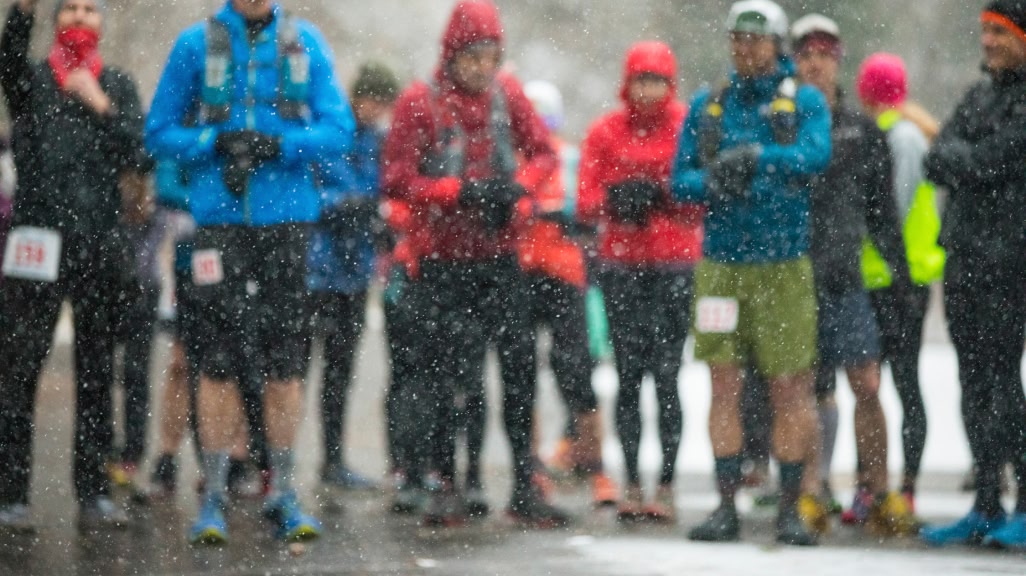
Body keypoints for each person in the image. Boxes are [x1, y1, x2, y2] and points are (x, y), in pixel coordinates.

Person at [146, 0, 354, 544]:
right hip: (217, 223)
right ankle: (211, 496)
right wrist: (213, 142)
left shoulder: (304, 41)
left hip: (288, 223)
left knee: (286, 362)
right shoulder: (196, 43)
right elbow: (158, 131)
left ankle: (282, 491)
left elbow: (339, 129)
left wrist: (281, 146)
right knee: (214, 363)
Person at [382, 0, 568, 528]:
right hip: (441, 264)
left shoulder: (507, 96)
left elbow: (545, 154)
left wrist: (517, 191)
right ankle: (453, 484)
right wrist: (458, 192)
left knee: (518, 373)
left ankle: (524, 485)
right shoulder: (420, 102)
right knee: (452, 380)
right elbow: (396, 179)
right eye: (474, 57)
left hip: (501, 258)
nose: (483, 68)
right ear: (452, 53)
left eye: (491, 56)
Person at [672, 0, 830, 546]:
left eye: (756, 40)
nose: (745, 49)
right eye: (737, 39)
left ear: (778, 45)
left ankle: (789, 507)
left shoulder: (803, 102)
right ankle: (724, 507)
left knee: (789, 385)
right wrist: (715, 181)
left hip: (783, 265)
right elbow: (680, 180)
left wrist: (759, 156)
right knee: (723, 383)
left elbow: (815, 156)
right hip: (721, 267)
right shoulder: (707, 105)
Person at [0, 0, 145, 531]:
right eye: (71, 9)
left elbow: (141, 155)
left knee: (96, 372)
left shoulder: (120, 85)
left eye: (91, 9)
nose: (81, 18)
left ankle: (94, 492)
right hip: (37, 245)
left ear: (102, 22)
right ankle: (11, 493)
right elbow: (8, 59)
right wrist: (21, 12)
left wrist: (101, 105)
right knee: (18, 370)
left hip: (98, 247)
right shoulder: (33, 81)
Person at [790, 14, 917, 536]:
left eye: (823, 51)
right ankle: (810, 491)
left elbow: (882, 209)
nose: (814, 61)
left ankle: (879, 488)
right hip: (795, 276)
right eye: (805, 53)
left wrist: (901, 269)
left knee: (865, 382)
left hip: (845, 276)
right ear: (794, 61)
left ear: (838, 59)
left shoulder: (860, 128)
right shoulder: (785, 121)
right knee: (806, 387)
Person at [577, 41, 702, 522]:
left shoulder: (685, 126)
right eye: (641, 80)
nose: (648, 90)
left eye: (657, 81)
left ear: (670, 85)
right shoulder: (605, 131)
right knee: (629, 376)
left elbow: (700, 193)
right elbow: (585, 200)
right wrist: (618, 199)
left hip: (673, 265)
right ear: (627, 83)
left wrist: (663, 196)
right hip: (623, 266)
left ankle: (666, 484)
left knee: (668, 376)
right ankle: (630, 482)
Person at [919, 0, 1026, 550]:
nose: (987, 41)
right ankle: (985, 502)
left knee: (1006, 384)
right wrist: (971, 159)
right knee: (973, 383)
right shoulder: (978, 95)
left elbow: (992, 159)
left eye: (999, 32)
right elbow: (935, 159)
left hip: (1010, 262)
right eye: (984, 31)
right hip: (963, 259)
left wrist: (969, 159)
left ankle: (1024, 504)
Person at [521, 79, 618, 508]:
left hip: (565, 275)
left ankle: (595, 466)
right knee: (521, 375)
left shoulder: (569, 158)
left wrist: (571, 221)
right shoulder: (517, 161)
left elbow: (592, 209)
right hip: (522, 273)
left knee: (577, 374)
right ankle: (532, 469)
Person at [854, 52, 942, 517]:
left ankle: (897, 486)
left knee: (893, 384)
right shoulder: (903, 130)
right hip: (891, 278)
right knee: (878, 386)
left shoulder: (898, 136)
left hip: (895, 279)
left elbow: (893, 206)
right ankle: (881, 485)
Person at [308, 61, 399, 491]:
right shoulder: (329, 134)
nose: (377, 111)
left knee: (341, 371)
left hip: (356, 273)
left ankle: (332, 459)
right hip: (317, 271)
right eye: (374, 101)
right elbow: (309, 194)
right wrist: (346, 204)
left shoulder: (378, 142)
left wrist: (377, 218)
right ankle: (270, 462)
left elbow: (385, 193)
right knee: (293, 370)